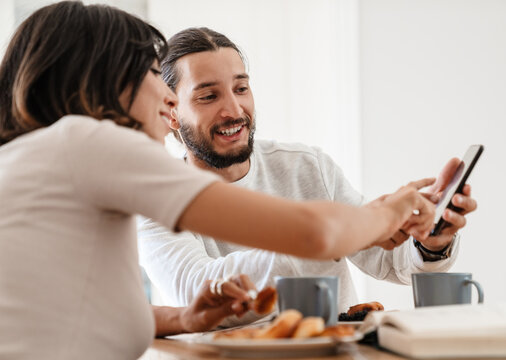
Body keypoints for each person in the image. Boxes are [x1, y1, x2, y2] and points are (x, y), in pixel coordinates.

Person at [0, 2, 437, 359]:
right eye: (153, 74)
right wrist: (390, 211)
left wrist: (183, 319)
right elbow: (315, 233)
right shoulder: (90, 142)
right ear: (102, 81)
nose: (168, 98)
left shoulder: (30, 158)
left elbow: (73, 307)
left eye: (240, 88)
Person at [137, 27, 478, 326]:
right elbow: (198, 291)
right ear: (171, 114)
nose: (234, 110)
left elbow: (389, 261)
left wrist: (430, 242)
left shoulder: (306, 166)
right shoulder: (157, 200)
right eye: (209, 96)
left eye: (241, 89)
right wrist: (331, 234)